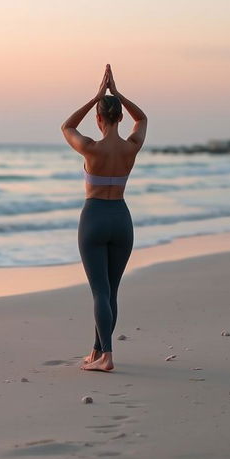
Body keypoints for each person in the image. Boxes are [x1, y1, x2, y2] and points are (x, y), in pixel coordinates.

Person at [60, 64, 147, 372]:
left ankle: (107, 357)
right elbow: (143, 119)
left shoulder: (90, 148)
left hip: (94, 219)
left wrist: (96, 95)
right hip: (122, 220)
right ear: (120, 116)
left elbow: (66, 126)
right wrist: (118, 94)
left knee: (100, 291)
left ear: (98, 119)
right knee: (111, 291)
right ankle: (97, 351)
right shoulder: (131, 147)